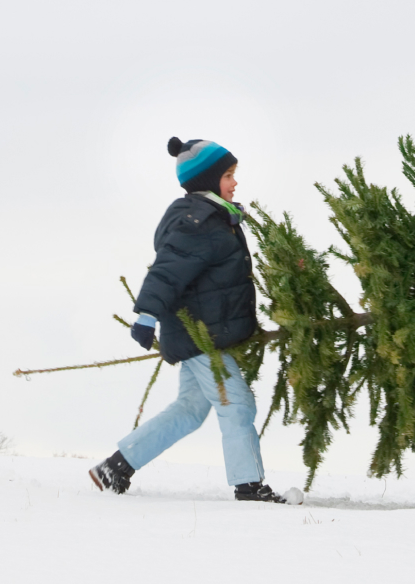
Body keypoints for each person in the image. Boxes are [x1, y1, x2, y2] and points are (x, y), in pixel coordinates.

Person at [87, 138, 290, 503]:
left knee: (190, 409)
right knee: (237, 404)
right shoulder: (197, 222)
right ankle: (249, 486)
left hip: (203, 332)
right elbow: (168, 270)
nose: (235, 182)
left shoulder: (216, 217)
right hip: (199, 335)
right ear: (207, 181)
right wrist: (146, 315)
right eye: (228, 175)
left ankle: (116, 467)